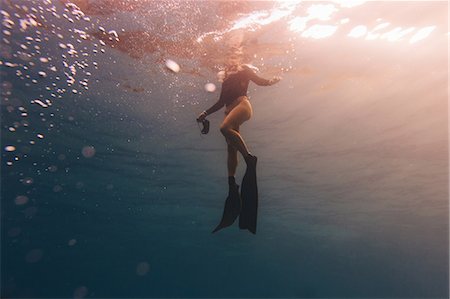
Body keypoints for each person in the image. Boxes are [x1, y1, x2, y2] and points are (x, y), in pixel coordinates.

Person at [198, 56, 281, 234]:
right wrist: (204, 113)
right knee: (230, 147)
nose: (228, 65)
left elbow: (260, 81)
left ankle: (249, 159)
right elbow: (221, 102)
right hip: (229, 110)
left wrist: (272, 80)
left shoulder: (243, 69)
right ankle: (231, 181)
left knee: (224, 128)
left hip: (242, 106)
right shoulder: (226, 79)